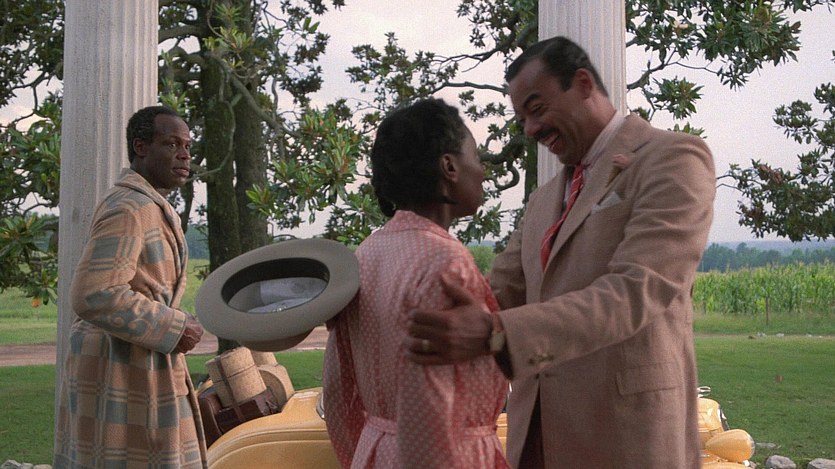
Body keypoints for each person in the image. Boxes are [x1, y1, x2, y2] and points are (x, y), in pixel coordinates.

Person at [406, 36, 715, 468]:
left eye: (537, 109)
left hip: (626, 438)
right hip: (535, 437)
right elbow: (497, 292)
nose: (531, 129)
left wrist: (498, 333)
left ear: (583, 83)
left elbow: (637, 289)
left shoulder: (673, 157)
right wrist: (388, 287)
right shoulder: (543, 199)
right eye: (522, 119)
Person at [323, 98, 510, 469]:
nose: (483, 171)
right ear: (449, 166)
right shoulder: (445, 261)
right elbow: (431, 407)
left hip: (376, 452)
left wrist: (363, 453)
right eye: (476, 156)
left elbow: (337, 386)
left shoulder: (367, 254)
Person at [54, 106, 207, 468]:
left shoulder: (148, 204)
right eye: (172, 144)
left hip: (139, 362)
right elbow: (94, 293)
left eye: (187, 146)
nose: (184, 154)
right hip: (120, 369)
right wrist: (175, 326)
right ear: (141, 147)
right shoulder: (128, 208)